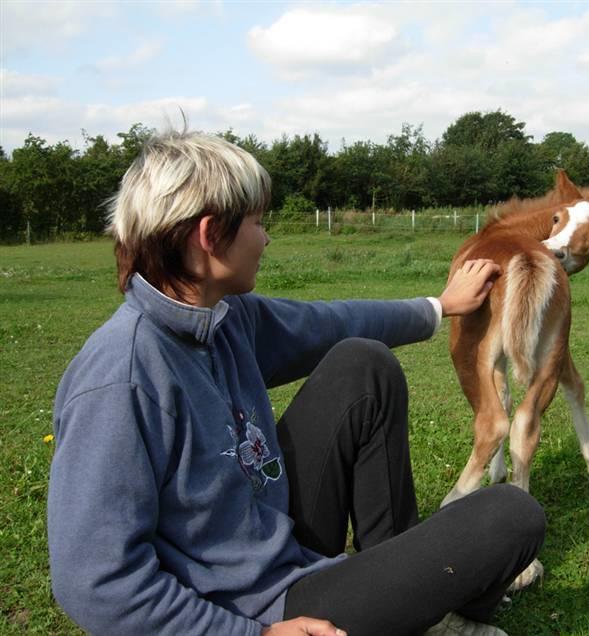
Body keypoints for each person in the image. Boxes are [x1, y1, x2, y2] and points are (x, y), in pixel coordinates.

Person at [48, 127, 546, 636]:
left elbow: (333, 324)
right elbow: (95, 581)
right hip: (250, 606)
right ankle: (409, 610)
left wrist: (439, 307)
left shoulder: (225, 318)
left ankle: (409, 605)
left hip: (278, 543)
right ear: (209, 234)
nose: (266, 238)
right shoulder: (121, 377)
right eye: (258, 223)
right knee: (512, 515)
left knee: (362, 365)